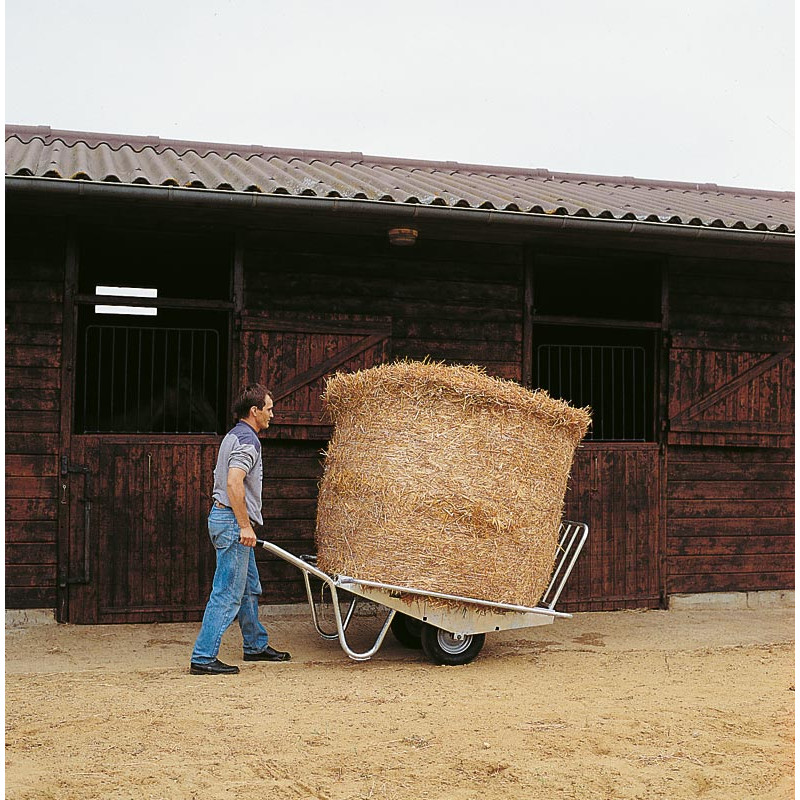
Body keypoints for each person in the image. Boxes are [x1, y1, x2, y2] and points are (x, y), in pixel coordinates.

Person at [190, 384, 291, 675]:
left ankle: (255, 645)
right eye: (269, 409)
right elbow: (234, 482)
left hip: (224, 518)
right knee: (227, 593)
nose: (272, 414)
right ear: (254, 411)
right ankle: (203, 656)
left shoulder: (233, 435)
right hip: (233, 523)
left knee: (247, 589)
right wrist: (245, 525)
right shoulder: (249, 441)